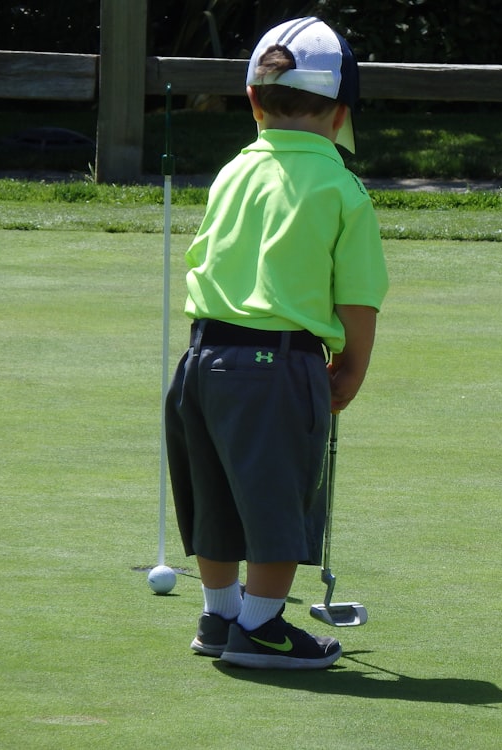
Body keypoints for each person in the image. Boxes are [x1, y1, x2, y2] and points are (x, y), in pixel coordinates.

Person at [164, 16, 388, 670]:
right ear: (343, 111)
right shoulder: (342, 189)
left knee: (214, 495)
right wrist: (351, 370)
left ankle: (220, 613)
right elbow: (357, 299)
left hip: (203, 358)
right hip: (278, 364)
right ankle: (261, 627)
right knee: (277, 497)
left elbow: (207, 261)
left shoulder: (233, 172)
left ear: (254, 99)